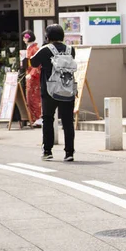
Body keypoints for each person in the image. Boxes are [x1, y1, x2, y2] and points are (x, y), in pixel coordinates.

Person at [30, 24, 76, 161]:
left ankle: (47, 151)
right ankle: (69, 153)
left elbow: (33, 62)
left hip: (49, 90)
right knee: (68, 121)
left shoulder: (46, 49)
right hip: (67, 89)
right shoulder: (70, 49)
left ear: (48, 36)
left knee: (48, 119)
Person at [23, 30, 42, 127]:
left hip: (33, 76)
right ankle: (34, 118)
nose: (24, 39)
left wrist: (32, 74)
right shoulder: (30, 48)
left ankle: (38, 117)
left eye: (25, 37)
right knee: (30, 97)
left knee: (34, 97)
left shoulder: (34, 49)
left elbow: (37, 64)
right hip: (29, 74)